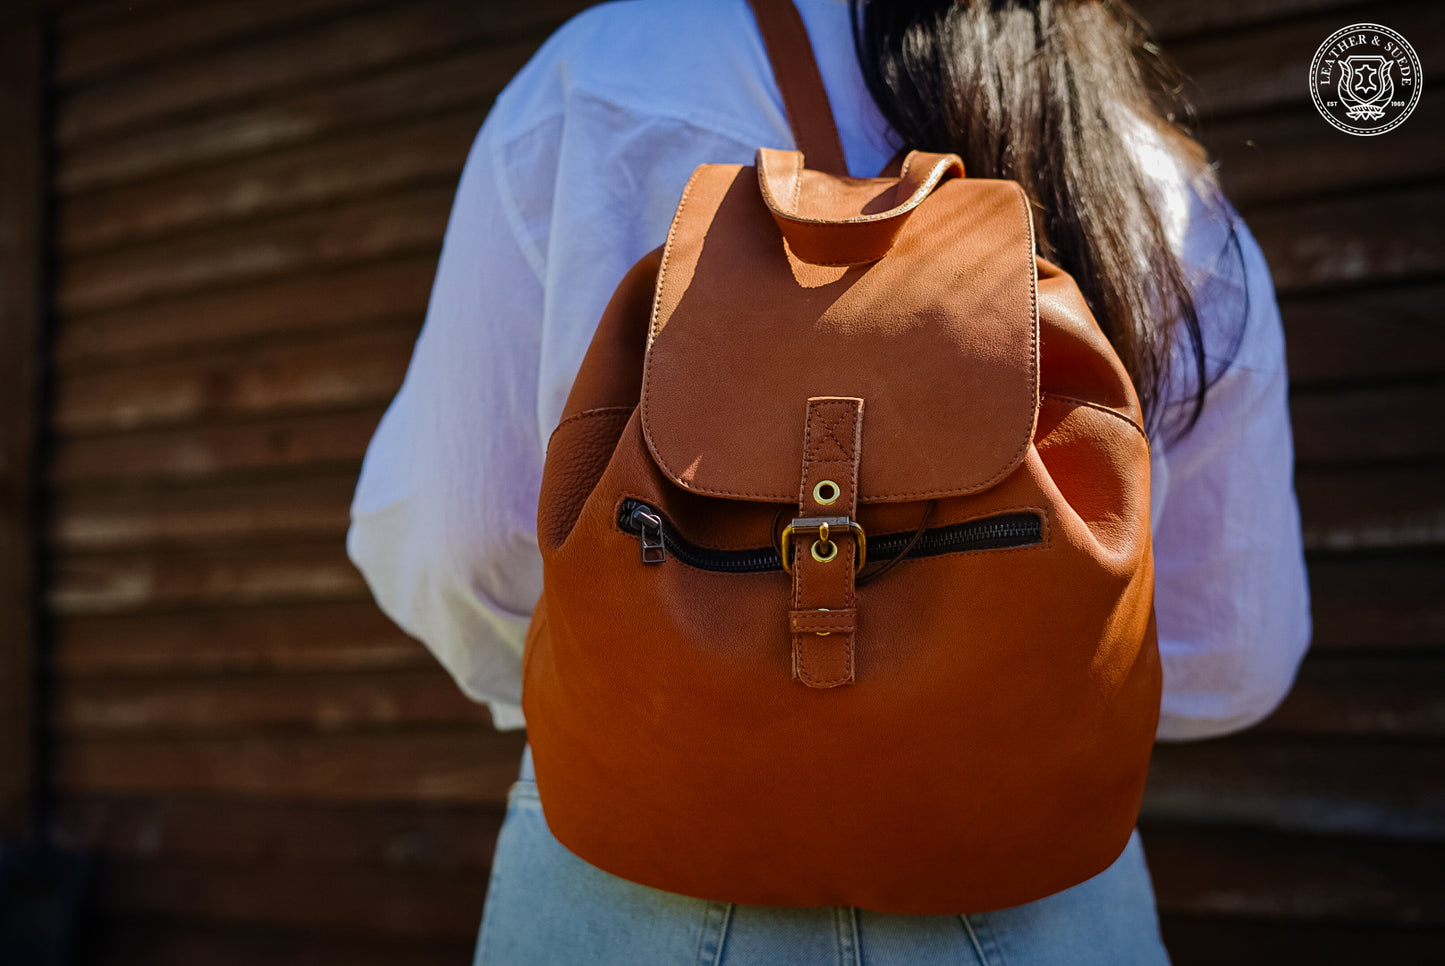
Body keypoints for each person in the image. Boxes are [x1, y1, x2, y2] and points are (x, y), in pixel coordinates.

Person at [346, 1, 1312, 962]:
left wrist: (641, 686)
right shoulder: (1156, 180)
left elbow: (457, 542)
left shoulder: (607, 72)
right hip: (1026, 881)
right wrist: (979, 695)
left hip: (633, 855)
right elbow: (1235, 656)